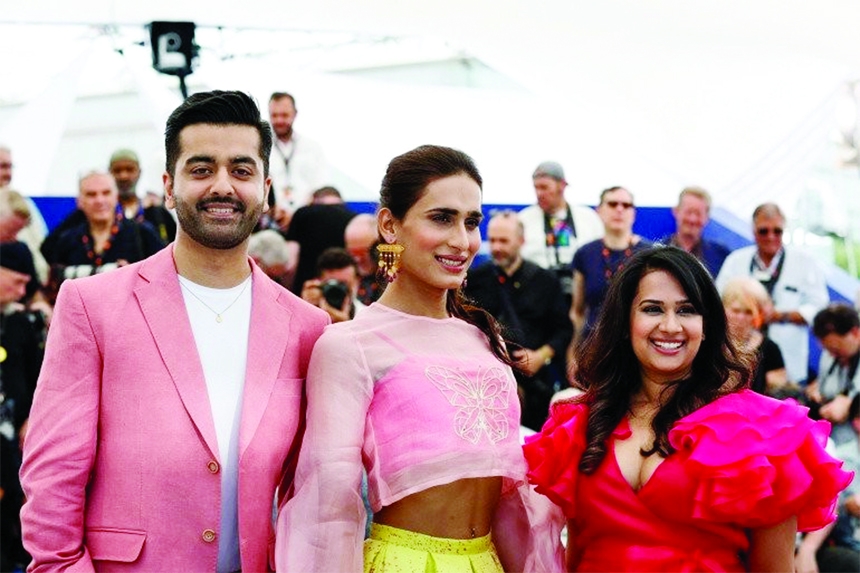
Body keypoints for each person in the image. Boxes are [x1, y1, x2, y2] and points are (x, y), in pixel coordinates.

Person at [20, 90, 329, 572]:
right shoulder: (91, 306)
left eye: (241, 170)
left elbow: (308, 488)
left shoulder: (308, 327)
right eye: (201, 169)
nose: (222, 186)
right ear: (169, 186)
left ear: (265, 187)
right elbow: (52, 478)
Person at [277, 145, 559, 572]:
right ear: (390, 225)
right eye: (441, 218)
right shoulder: (350, 345)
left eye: (471, 222)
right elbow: (328, 504)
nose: (461, 240)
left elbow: (512, 504)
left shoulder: (485, 341)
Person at [524, 245, 852, 572]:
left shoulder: (761, 431)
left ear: (707, 323)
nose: (670, 326)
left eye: (686, 310)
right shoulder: (581, 421)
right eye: (652, 309)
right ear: (625, 322)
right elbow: (575, 554)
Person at [465, 210, 573, 431]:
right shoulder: (475, 279)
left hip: (532, 384)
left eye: (504, 241)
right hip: (483, 381)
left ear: (521, 241)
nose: (496, 247)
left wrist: (540, 356)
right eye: (493, 240)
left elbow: (564, 329)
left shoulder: (545, 281)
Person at [716, 202, 829, 384]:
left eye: (777, 231)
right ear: (753, 232)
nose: (771, 237)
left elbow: (819, 309)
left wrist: (780, 315)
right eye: (763, 231)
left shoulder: (805, 263)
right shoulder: (735, 261)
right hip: (738, 362)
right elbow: (717, 303)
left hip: (789, 362)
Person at [41, 171, 165, 299]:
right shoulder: (66, 240)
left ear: (116, 196)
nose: (99, 200)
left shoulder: (142, 233)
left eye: (106, 193)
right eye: (91, 194)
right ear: (79, 201)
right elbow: (52, 289)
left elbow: (163, 278)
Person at [0, 243, 46, 573]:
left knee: (17, 495)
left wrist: (32, 416)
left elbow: (38, 375)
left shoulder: (22, 322)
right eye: (16, 281)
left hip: (14, 429)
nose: (22, 289)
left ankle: (17, 556)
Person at [570, 186, 651, 344]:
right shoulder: (585, 253)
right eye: (613, 204)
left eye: (626, 205)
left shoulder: (649, 254)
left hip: (635, 345)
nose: (619, 209)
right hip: (593, 345)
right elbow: (577, 311)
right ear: (599, 210)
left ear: (633, 213)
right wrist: (574, 349)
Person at [517, 161, 603, 298]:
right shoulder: (523, 220)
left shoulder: (589, 218)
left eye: (544, 187)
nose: (539, 193)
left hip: (581, 296)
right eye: (536, 188)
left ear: (562, 186)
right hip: (536, 297)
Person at [721, 276, 796, 398]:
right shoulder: (710, 342)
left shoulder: (770, 349)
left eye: (748, 312)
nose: (741, 318)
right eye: (736, 311)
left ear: (759, 314)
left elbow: (778, 393)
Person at [284, 185, 356, 294]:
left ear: (315, 199)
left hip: (306, 292)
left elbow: (290, 264)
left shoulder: (302, 214)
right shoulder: (354, 219)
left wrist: (289, 292)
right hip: (342, 292)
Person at [267, 92, 329, 217]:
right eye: (274, 115)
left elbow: (320, 188)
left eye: (284, 115)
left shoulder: (312, 148)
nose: (279, 120)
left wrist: (298, 215)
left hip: (307, 218)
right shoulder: (262, 147)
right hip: (271, 218)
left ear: (295, 114)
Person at [807, 303, 860, 449]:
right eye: (828, 349)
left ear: (855, 333)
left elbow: (841, 410)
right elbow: (823, 387)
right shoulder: (829, 354)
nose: (831, 354)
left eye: (836, 350)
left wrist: (848, 404)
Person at [108, 148, 177, 243]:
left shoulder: (156, 211)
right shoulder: (100, 214)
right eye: (117, 171)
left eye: (129, 170)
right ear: (109, 173)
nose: (124, 176)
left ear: (139, 172)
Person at [666, 186, 731, 277]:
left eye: (698, 214)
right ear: (676, 211)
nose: (692, 219)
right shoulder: (659, 249)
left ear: (707, 217)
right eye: (688, 212)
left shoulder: (721, 255)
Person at [345, 212, 384, 306]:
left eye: (362, 252)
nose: (357, 259)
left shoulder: (393, 283)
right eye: (352, 253)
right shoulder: (344, 276)